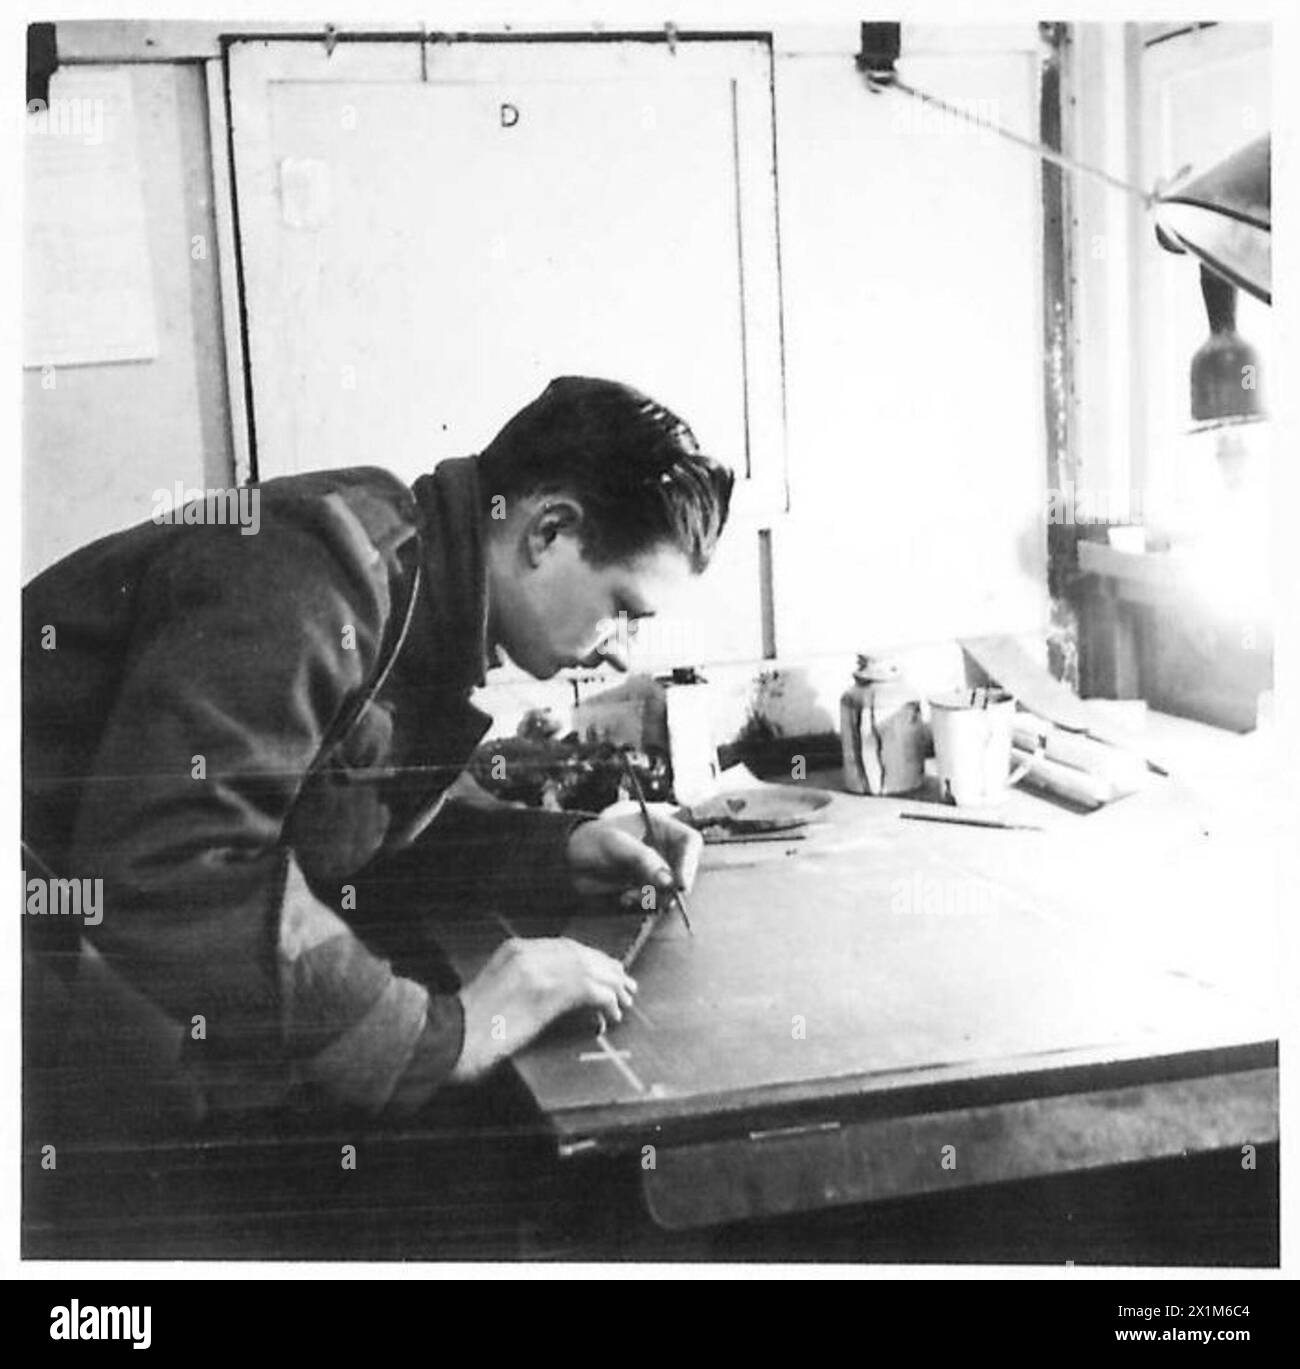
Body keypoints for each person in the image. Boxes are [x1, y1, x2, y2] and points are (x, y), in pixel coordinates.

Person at [23, 376, 734, 1133]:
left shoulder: (414, 584)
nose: (622, 656)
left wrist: (558, 849)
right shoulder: (319, 570)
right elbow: (175, 856)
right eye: (623, 610)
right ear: (549, 530)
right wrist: (453, 1032)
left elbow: (342, 815)